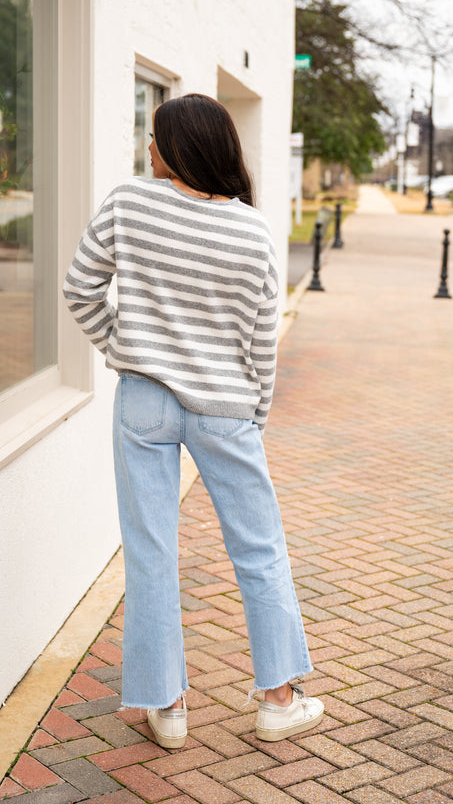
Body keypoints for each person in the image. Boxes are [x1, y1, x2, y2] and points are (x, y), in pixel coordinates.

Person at [63, 93, 323, 748]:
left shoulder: (130, 202)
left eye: (152, 138)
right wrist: (254, 412)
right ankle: (277, 699)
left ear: (174, 147)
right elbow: (261, 340)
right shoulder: (252, 229)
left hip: (144, 399)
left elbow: (79, 288)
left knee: (150, 551)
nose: (147, 149)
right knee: (259, 549)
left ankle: (168, 706)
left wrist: (123, 347)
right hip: (226, 407)